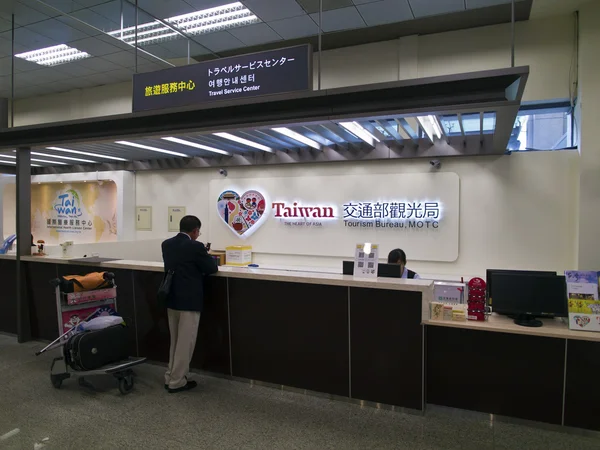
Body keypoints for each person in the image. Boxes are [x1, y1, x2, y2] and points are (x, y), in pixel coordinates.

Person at [161, 215, 218, 393]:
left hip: (171, 298)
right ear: (195, 231)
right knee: (186, 342)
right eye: (198, 232)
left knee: (175, 340)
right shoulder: (195, 246)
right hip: (189, 301)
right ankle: (177, 381)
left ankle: (170, 375)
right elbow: (211, 268)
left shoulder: (167, 244)